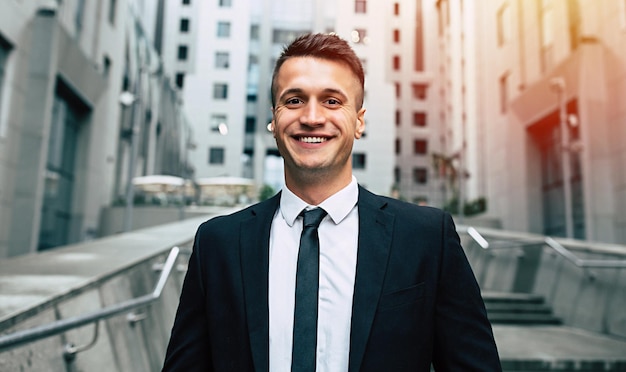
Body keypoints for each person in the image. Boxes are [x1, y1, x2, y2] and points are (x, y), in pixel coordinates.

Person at [163, 33, 501, 372]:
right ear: (274, 120)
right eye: (294, 100)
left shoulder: (427, 238)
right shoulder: (217, 244)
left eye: (332, 101)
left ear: (359, 121)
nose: (311, 117)